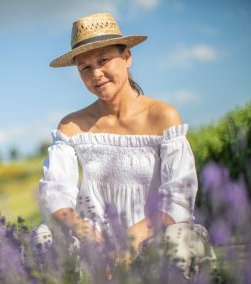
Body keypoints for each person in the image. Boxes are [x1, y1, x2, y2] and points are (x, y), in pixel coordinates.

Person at [36, 12, 216, 279]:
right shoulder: (72, 126)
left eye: (103, 60)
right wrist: (91, 236)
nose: (96, 73)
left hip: (155, 234)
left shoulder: (162, 116)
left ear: (127, 57)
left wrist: (131, 239)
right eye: (85, 67)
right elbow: (56, 195)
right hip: (95, 240)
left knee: (179, 240)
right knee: (44, 238)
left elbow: (179, 196)